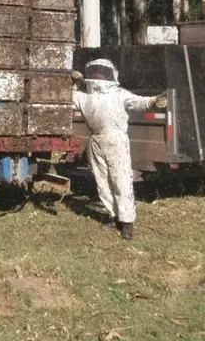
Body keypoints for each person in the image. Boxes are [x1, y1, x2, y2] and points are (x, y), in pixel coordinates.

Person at [71, 59, 167, 240]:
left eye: (101, 72)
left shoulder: (119, 94)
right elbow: (65, 98)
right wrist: (74, 83)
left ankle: (127, 223)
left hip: (116, 140)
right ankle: (114, 217)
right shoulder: (84, 97)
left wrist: (154, 101)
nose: (98, 75)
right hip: (95, 140)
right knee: (102, 181)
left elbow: (138, 102)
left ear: (109, 74)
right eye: (95, 72)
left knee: (120, 179)